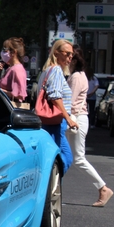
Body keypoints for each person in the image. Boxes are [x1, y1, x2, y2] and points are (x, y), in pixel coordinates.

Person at [66, 47, 114, 207]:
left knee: (77, 158)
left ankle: (103, 188)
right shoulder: (81, 76)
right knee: (67, 155)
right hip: (79, 118)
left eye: (68, 58)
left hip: (76, 119)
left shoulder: (76, 77)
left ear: (73, 61)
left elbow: (70, 102)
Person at [37, 39, 77, 174]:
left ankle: (50, 188)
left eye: (72, 55)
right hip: (55, 120)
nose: (70, 57)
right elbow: (55, 96)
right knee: (65, 158)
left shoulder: (47, 71)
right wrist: (68, 118)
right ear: (56, 53)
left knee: (56, 158)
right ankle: (49, 188)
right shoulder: (56, 70)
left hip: (51, 121)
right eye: (67, 54)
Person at [0, 37, 27, 106]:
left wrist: (0, 91)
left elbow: (20, 95)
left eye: (5, 50)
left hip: (10, 110)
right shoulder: (10, 68)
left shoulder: (17, 69)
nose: (2, 53)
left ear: (13, 52)